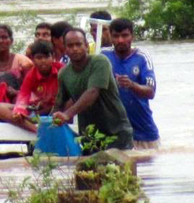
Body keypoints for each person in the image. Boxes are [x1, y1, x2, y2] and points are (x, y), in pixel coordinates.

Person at [53, 28, 133, 152]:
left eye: (78, 44)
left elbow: (92, 92)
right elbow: (58, 104)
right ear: (65, 49)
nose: (74, 49)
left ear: (86, 46)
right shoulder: (64, 73)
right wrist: (46, 122)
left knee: (120, 170)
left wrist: (67, 114)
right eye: (70, 45)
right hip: (89, 137)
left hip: (116, 132)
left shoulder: (100, 62)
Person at [102, 18, 160, 149]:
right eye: (116, 36)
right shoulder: (103, 57)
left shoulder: (142, 57)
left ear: (132, 36)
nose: (120, 40)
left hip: (143, 132)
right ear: (110, 37)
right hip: (114, 132)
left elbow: (151, 92)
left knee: (148, 168)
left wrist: (131, 85)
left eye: (125, 35)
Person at [0, 41, 63, 133]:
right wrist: (20, 112)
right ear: (32, 59)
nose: (43, 61)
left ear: (53, 57)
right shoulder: (31, 75)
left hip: (58, 110)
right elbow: (23, 96)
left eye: (47, 57)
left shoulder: (61, 70)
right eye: (39, 58)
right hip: (36, 111)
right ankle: (37, 131)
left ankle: (33, 126)